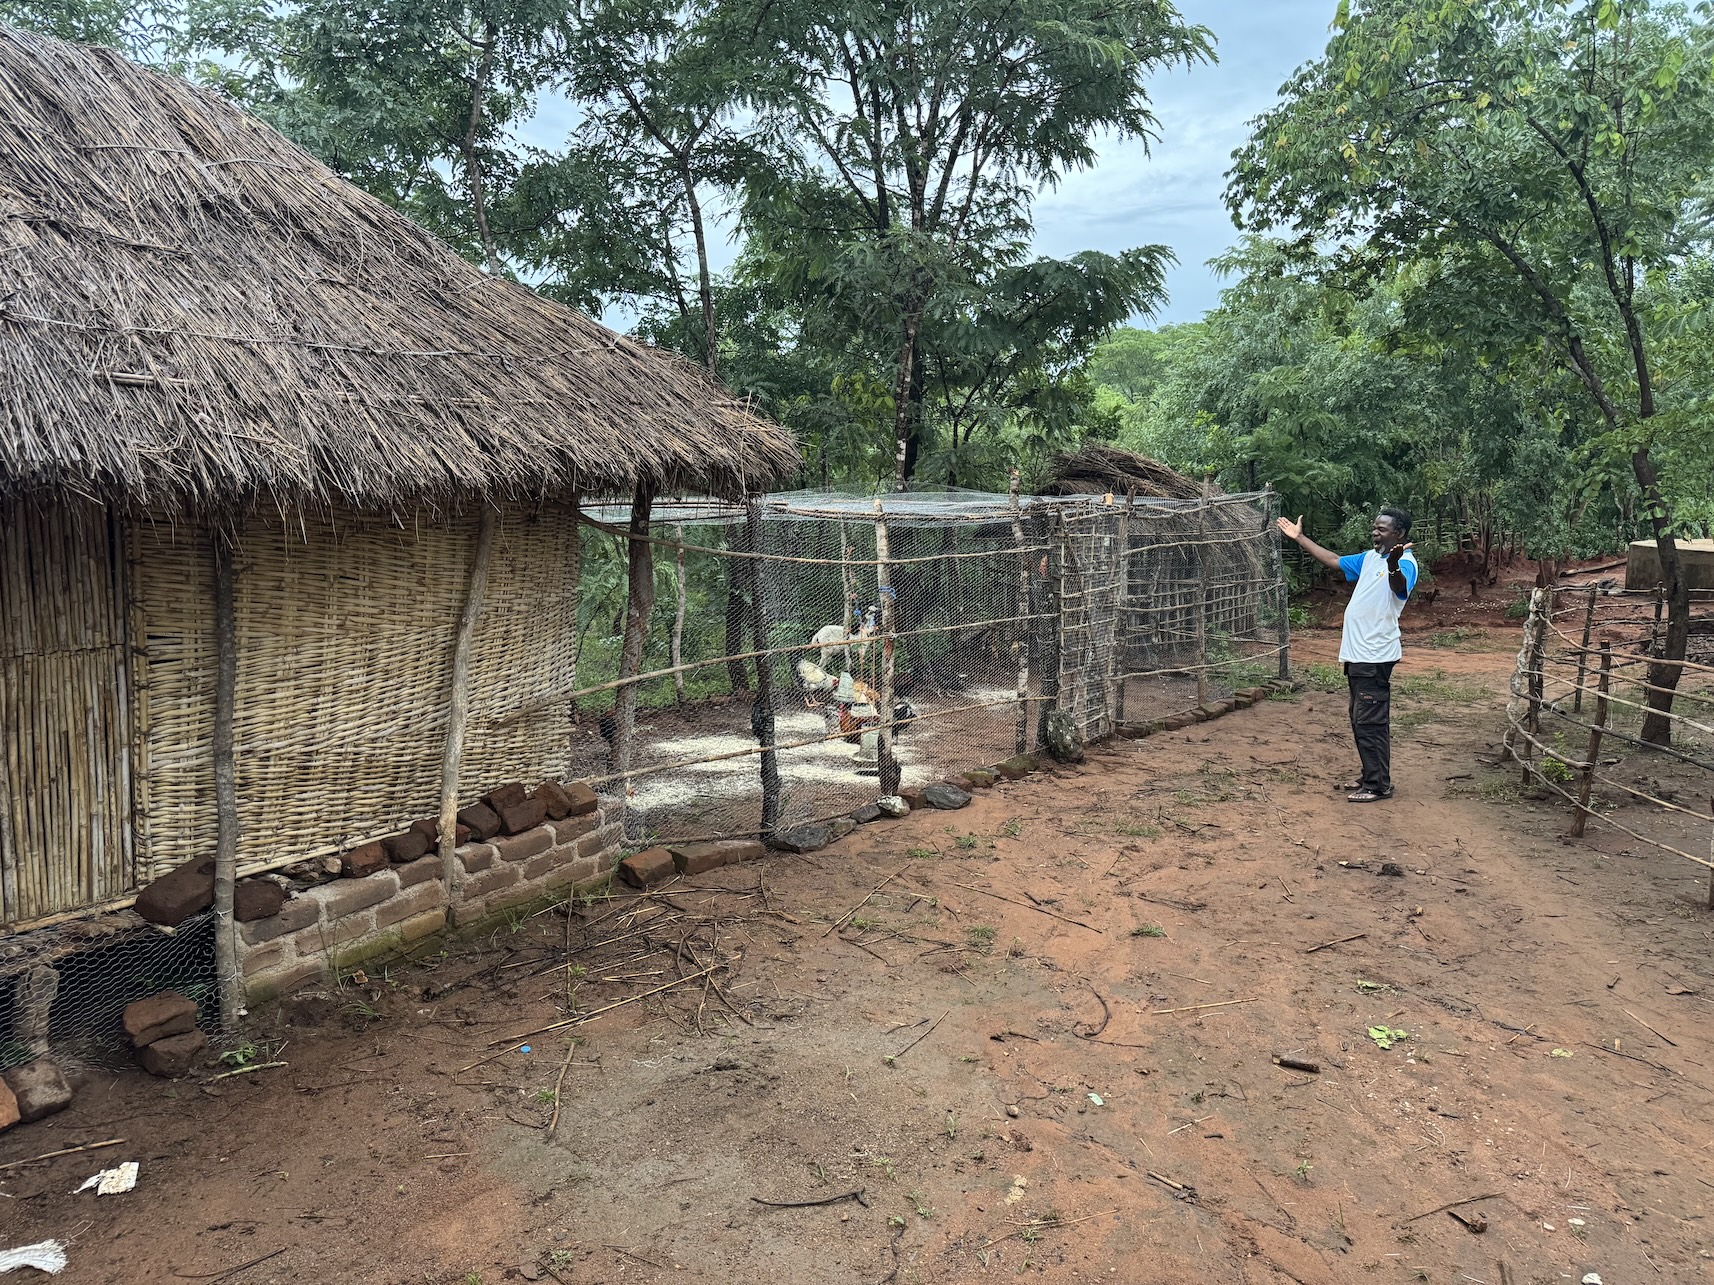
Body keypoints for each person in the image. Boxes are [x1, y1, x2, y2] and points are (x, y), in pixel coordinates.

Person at [1275, 508, 1418, 803]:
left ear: (1399, 534)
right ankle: (1371, 775)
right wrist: (1300, 538)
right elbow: (1333, 560)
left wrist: (1393, 566)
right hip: (1359, 655)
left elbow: (1400, 588)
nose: (1375, 532)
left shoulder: (1405, 563)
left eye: (1382, 529)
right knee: (1361, 718)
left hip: (1375, 655)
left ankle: (1378, 785)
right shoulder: (1370, 558)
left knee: (1370, 721)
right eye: (1375, 528)